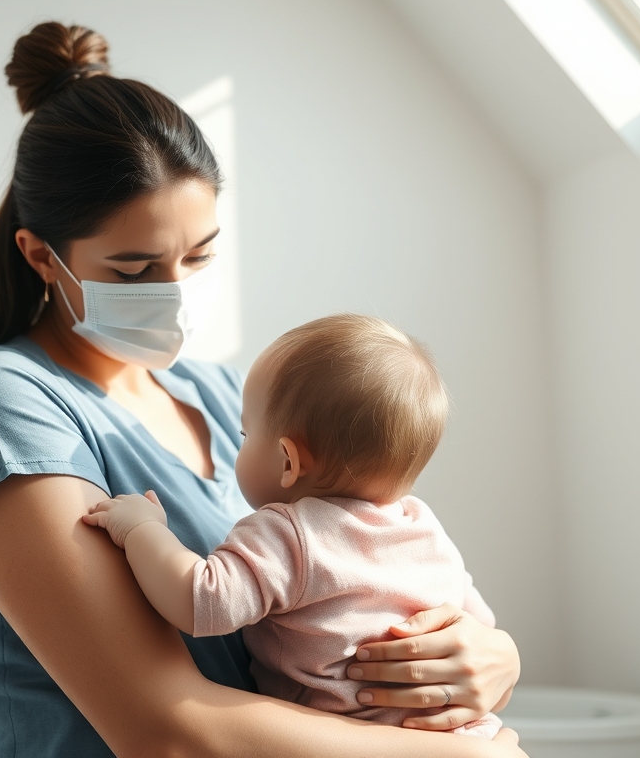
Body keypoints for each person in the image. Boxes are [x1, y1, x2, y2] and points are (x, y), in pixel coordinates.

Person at [0, 20, 525, 758]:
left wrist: (493, 657)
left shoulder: (226, 397)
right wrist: (460, 753)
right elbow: (163, 730)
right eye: (134, 270)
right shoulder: (2, 405)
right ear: (40, 257)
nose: (174, 291)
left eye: (198, 256)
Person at [82, 313, 503, 738]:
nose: (240, 443)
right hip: (465, 735)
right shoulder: (423, 526)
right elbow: (478, 626)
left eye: (245, 435)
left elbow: (201, 600)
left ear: (288, 462)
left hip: (359, 741)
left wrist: (141, 529)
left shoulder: (289, 534)